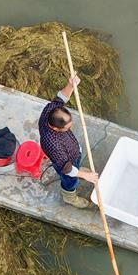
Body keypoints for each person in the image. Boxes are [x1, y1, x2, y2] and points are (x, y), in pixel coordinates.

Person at [38, 74, 99, 209]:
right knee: (69, 180)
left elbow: (60, 98)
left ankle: (79, 170)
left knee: (75, 167)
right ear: (54, 128)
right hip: (67, 165)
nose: (70, 128)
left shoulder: (50, 110)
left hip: (72, 154)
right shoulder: (52, 144)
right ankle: (70, 198)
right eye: (67, 128)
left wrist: (71, 85)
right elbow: (67, 168)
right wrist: (85, 176)